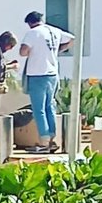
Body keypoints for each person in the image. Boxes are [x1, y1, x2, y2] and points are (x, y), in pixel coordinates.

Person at [18, 10, 74, 154]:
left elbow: (23, 52)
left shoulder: (33, 33)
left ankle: (43, 141)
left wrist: (32, 51)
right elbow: (71, 40)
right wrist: (56, 51)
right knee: (50, 106)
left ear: (30, 23)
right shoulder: (54, 30)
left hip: (38, 74)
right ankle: (52, 139)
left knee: (39, 109)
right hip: (53, 74)